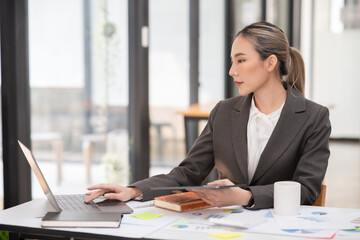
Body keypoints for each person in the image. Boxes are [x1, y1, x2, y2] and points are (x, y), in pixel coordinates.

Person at [85, 22, 331, 210]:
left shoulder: (314, 117)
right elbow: (187, 173)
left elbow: (306, 189)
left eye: (241, 60)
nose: (232, 71)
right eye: (232, 61)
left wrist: (244, 196)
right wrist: (133, 190)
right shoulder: (224, 112)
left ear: (270, 63)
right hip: (228, 229)